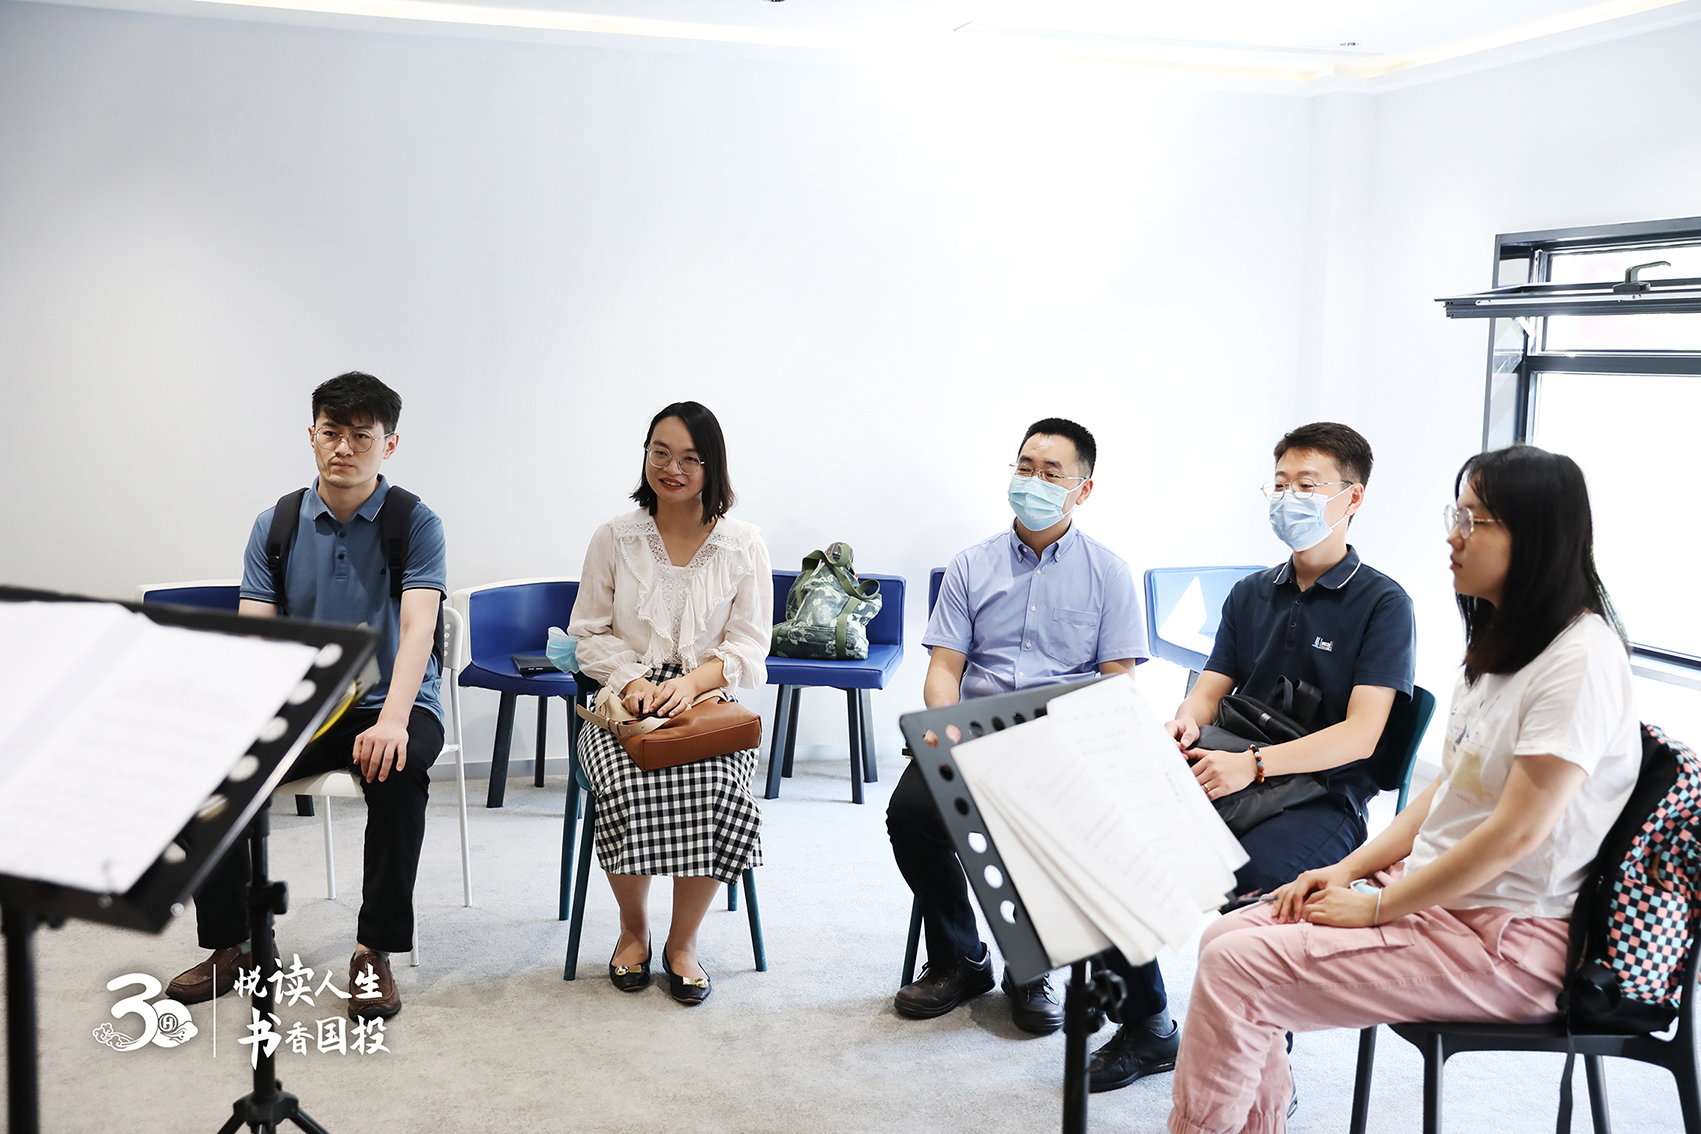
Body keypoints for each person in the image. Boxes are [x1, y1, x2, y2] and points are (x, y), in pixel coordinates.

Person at [1166, 443, 1639, 1134]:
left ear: (1533, 535)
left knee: (1239, 966)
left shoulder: (1580, 658)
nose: (1452, 537)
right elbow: (1450, 791)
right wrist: (1348, 872)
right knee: (1225, 937)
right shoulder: (1501, 650)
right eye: (1455, 516)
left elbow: (1516, 833)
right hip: (1441, 901)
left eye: (1471, 520)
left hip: (1506, 940)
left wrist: (1379, 907)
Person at [1090, 421, 1415, 1092]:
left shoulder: (1383, 603)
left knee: (1259, 887)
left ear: (1352, 497)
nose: (1288, 498)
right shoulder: (1250, 593)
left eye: (1307, 485)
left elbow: (1361, 736)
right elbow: (1209, 692)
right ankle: (1146, 1025)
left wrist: (1256, 764)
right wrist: (1185, 722)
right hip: (1230, 769)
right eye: (1280, 484)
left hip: (1323, 797)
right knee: (1110, 846)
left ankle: (1266, 1067)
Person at [167, 371, 447, 1021]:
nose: (343, 447)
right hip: (306, 706)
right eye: (331, 432)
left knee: (399, 771)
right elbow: (257, 637)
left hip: (392, 702)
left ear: (389, 444)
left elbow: (418, 630)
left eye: (361, 435)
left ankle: (373, 952)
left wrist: (394, 721)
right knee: (206, 772)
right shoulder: (277, 524)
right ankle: (237, 944)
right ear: (312, 436)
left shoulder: (414, 522)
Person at [888, 417, 1148, 1034]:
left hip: (1057, 744)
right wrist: (941, 730)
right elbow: (945, 667)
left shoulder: (1109, 573)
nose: (1033, 481)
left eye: (1051, 473)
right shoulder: (970, 565)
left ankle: (1031, 967)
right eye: (1025, 468)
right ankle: (959, 957)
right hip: (972, 733)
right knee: (912, 814)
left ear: (1083, 489)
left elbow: (1116, 683)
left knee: (1046, 825)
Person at [567, 401, 772, 1006]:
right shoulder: (614, 537)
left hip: (707, 702)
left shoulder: (743, 544)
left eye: (689, 458)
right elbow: (587, 633)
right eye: (660, 452)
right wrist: (633, 682)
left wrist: (693, 684)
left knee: (720, 787)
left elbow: (749, 644)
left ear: (713, 466)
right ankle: (634, 932)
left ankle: (683, 943)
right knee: (623, 781)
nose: (672, 468)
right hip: (624, 700)